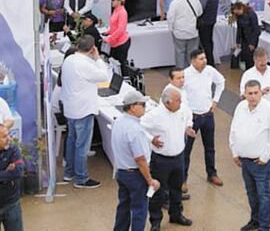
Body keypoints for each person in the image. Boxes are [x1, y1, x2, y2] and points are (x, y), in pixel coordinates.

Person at [229, 81, 270, 231]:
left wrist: (265, 157)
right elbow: (233, 130)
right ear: (244, 94)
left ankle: (264, 227)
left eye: (255, 93)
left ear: (261, 93)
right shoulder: (240, 107)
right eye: (249, 93)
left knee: (263, 194)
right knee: (251, 193)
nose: (252, 97)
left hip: (261, 163)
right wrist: (234, 152)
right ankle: (255, 220)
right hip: (244, 161)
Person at [140, 86, 193, 231]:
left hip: (178, 158)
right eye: (178, 100)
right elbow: (138, 127)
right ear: (167, 102)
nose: (181, 103)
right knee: (158, 191)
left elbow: (189, 116)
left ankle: (176, 214)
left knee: (176, 189)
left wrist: (189, 126)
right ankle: (155, 221)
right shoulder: (154, 115)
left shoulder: (181, 109)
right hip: (161, 160)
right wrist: (151, 139)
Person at [61, 34, 109, 189]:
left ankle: (69, 173)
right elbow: (104, 76)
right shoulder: (85, 64)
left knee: (71, 142)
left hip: (70, 108)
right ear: (92, 48)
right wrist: (99, 58)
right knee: (82, 145)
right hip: (83, 109)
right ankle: (81, 178)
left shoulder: (69, 60)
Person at [111, 90, 160, 231]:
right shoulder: (135, 129)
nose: (145, 107)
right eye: (142, 104)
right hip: (135, 175)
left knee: (123, 207)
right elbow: (140, 159)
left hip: (122, 172)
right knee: (139, 210)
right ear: (132, 107)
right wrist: (150, 180)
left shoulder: (118, 122)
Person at [240, 47, 270, 177]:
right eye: (260, 62)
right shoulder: (248, 74)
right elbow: (242, 95)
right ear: (254, 59)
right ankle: (253, 158)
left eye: (265, 62)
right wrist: (259, 93)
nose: (263, 65)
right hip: (254, 112)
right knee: (255, 135)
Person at [183, 48, 225, 188]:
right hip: (192, 117)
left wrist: (215, 100)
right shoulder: (185, 75)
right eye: (201, 59)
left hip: (207, 115)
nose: (204, 61)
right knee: (186, 149)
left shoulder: (210, 71)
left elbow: (221, 82)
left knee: (210, 147)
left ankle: (211, 173)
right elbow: (181, 95)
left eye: (205, 58)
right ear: (193, 61)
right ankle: (183, 179)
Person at [168, 0, 202, 69]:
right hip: (193, 31)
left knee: (179, 54)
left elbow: (170, 17)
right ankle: (193, 72)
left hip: (179, 32)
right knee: (192, 55)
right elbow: (200, 13)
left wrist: (171, 29)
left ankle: (180, 74)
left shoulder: (175, 2)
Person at [103, 0, 132, 77]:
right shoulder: (116, 10)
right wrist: (108, 32)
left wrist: (109, 39)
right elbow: (113, 26)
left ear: (120, 1)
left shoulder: (122, 12)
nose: (112, 1)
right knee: (114, 63)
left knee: (121, 65)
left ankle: (126, 81)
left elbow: (121, 29)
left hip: (121, 43)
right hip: (115, 43)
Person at [0, 124, 23, 230]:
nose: (9, 138)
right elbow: (11, 174)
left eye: (8, 135)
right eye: (4, 137)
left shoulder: (13, 149)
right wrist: (6, 172)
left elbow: (18, 172)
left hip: (12, 204)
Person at [197, 0, 220, 66]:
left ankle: (209, 63)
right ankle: (211, 61)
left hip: (204, 22)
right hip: (212, 20)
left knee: (205, 43)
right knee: (210, 42)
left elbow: (200, 8)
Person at [232, 3, 260, 71]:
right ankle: (247, 71)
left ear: (242, 8)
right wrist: (238, 42)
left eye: (238, 11)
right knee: (245, 57)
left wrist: (252, 43)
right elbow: (239, 29)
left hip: (251, 39)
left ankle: (251, 72)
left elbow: (256, 30)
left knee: (250, 59)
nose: (237, 13)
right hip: (244, 40)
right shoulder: (239, 16)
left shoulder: (252, 15)